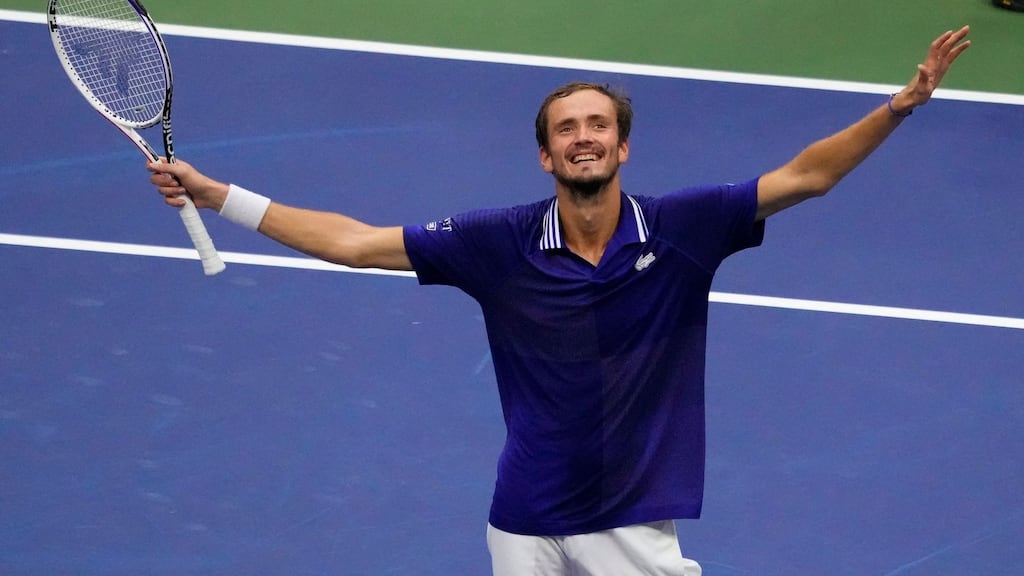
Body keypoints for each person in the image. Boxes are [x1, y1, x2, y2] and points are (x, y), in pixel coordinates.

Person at [147, 27, 970, 576]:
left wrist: (899, 106)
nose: (583, 136)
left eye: (597, 125)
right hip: (527, 515)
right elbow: (353, 243)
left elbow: (808, 176)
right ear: (545, 156)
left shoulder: (686, 226)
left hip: (629, 520)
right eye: (566, 128)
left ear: (622, 145)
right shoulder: (495, 242)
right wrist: (219, 195)